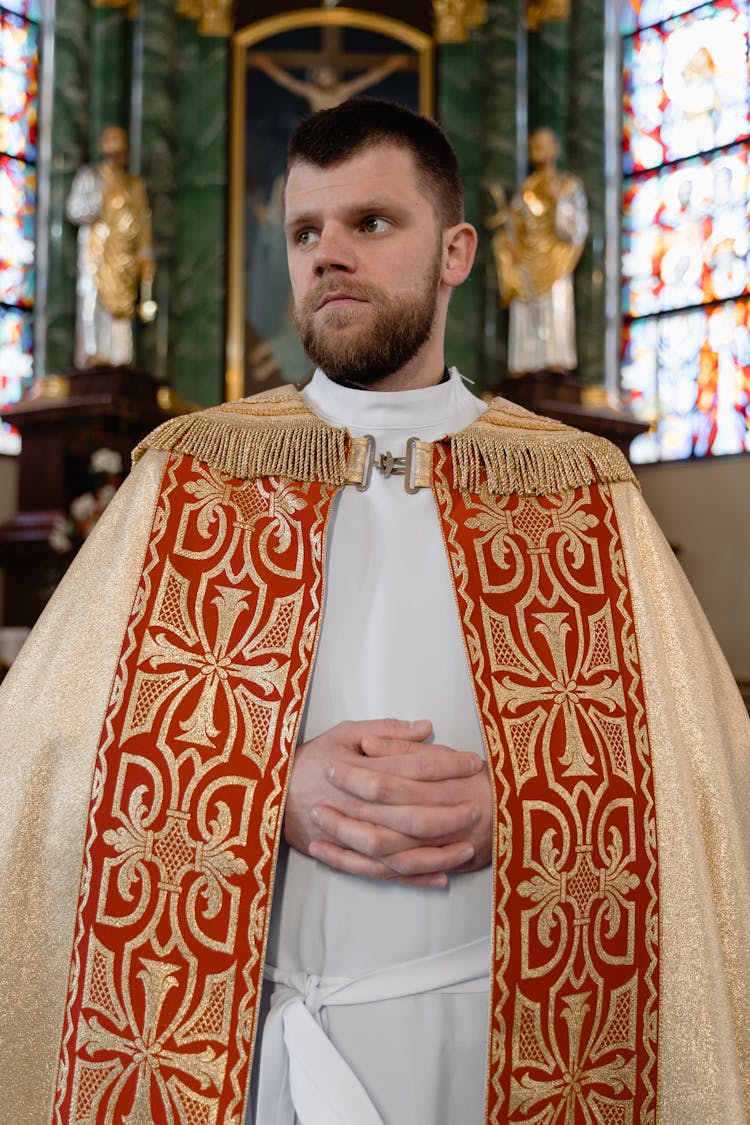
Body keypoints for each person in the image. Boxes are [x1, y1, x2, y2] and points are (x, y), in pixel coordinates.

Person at [0, 99, 749, 1125]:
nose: (328, 257)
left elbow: (702, 773)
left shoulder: (578, 489)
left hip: (505, 1048)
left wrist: (529, 811)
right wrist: (263, 791)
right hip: (243, 1058)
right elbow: (40, 757)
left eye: (371, 224)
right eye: (306, 232)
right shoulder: (193, 474)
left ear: (456, 252)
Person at [488, 127, 588, 375]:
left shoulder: (568, 186)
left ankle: (556, 359)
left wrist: (558, 202)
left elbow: (576, 229)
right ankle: (524, 362)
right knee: (525, 305)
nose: (538, 151)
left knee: (555, 303)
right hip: (528, 259)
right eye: (534, 146)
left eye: (543, 145)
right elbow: (516, 225)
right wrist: (509, 242)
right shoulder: (526, 190)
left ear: (556, 149)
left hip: (556, 258)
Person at [66, 124, 156, 368]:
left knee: (123, 305)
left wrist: (146, 255)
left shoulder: (134, 184)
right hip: (97, 251)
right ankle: (94, 354)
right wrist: (99, 201)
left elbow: (143, 221)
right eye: (110, 141)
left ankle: (120, 358)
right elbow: (73, 210)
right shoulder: (90, 177)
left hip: (125, 255)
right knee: (94, 297)